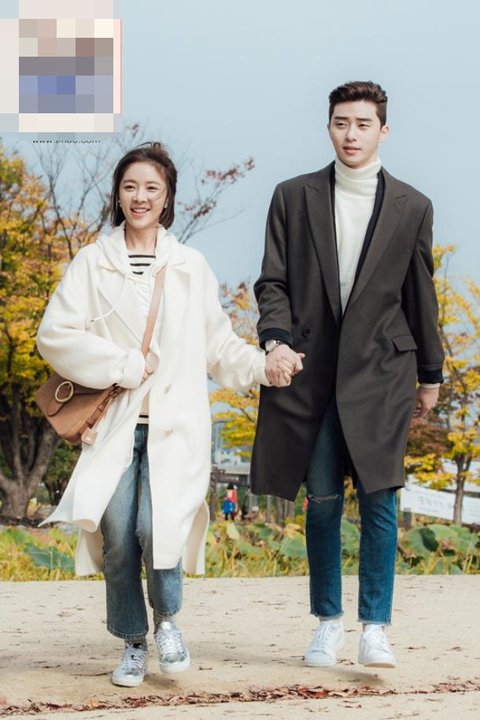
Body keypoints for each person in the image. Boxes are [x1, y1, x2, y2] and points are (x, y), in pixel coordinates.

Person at [36, 142, 291, 688]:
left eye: (152, 187)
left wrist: (262, 367)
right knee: (117, 534)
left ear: (168, 196)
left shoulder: (189, 266)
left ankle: (167, 621)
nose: (140, 197)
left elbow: (218, 345)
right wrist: (123, 364)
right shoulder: (92, 263)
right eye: (130, 187)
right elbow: (54, 335)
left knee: (161, 527)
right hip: (113, 425)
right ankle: (133, 641)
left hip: (176, 426)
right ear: (117, 195)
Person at [251, 81, 444, 669]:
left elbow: (420, 294)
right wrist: (276, 340)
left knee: (381, 499)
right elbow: (273, 281)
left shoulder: (412, 206)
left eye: (363, 124)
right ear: (329, 127)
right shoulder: (293, 196)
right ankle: (328, 623)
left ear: (383, 130)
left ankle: (376, 628)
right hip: (312, 373)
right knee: (323, 501)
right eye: (341, 123)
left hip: (383, 372)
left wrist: (431, 373)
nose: (351, 134)